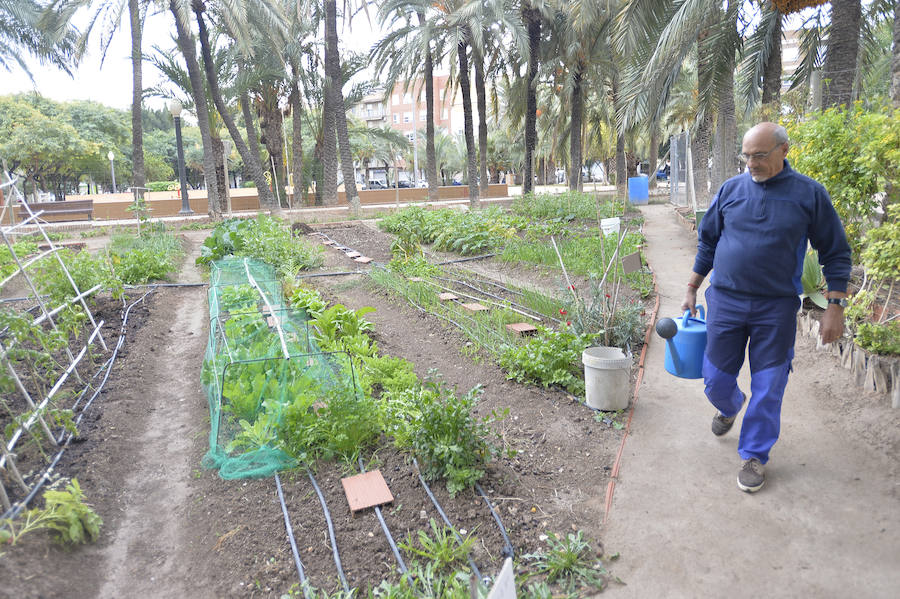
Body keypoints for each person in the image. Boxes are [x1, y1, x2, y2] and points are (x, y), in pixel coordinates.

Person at [681, 122, 851, 493]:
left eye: (760, 155)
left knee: (770, 383)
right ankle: (730, 405)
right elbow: (708, 242)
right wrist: (692, 286)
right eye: (747, 156)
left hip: (775, 307)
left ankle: (755, 454)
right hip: (726, 299)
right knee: (714, 377)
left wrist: (834, 306)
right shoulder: (731, 190)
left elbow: (836, 251)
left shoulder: (809, 195)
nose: (751, 163)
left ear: (784, 150)